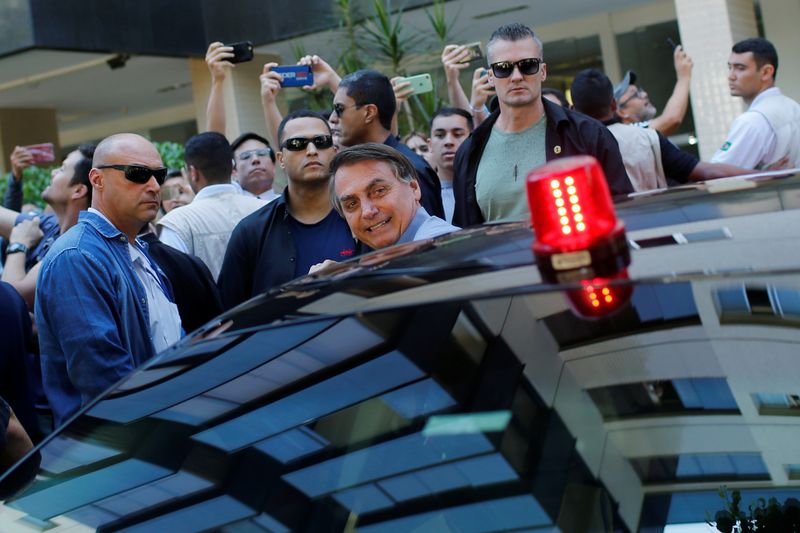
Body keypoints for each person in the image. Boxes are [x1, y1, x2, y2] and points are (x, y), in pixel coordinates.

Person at [36, 133, 182, 427]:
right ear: (97, 179)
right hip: (120, 448)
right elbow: (104, 381)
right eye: (138, 174)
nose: (154, 186)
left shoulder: (136, 251)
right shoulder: (76, 257)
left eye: (159, 175)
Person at [453, 23, 630, 227]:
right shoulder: (471, 150)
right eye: (504, 68)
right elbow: (465, 232)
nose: (517, 77)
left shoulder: (589, 134)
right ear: (491, 77)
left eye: (528, 65)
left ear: (542, 71)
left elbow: (622, 211)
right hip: (503, 259)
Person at [218, 111, 356, 310]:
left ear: (334, 151)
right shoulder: (251, 232)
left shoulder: (361, 217)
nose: (311, 150)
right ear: (281, 159)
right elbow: (229, 314)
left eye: (321, 141)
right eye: (297, 144)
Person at [571, 69, 752, 191]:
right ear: (614, 105)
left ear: (572, 110)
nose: (644, 95)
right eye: (635, 95)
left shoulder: (568, 150)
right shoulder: (647, 139)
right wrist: (767, 175)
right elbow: (707, 172)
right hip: (653, 229)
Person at [329, 69, 445, 219]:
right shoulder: (367, 163)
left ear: (369, 112)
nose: (332, 118)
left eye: (339, 109)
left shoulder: (410, 168)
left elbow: (429, 238)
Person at [157, 132, 265, 279]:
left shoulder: (176, 224)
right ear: (232, 166)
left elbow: (173, 285)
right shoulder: (268, 208)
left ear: (193, 172)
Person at [0, 144, 95, 308]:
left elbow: (12, 297)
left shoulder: (72, 248)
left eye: (62, 169)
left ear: (78, 190)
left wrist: (18, 245)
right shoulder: (51, 225)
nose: (52, 172)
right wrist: (15, 177)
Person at [330, 143, 457, 252]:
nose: (367, 211)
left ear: (414, 188)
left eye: (379, 191)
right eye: (352, 204)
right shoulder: (400, 257)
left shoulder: (440, 249)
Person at [710, 37, 800, 169]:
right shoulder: (794, 107)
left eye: (740, 68)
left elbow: (717, 179)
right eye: (730, 67)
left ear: (766, 72)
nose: (731, 76)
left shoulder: (753, 121)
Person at [614, 44, 693, 135]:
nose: (644, 94)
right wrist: (684, 76)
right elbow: (672, 119)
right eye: (635, 94)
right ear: (622, 112)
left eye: (639, 91)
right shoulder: (629, 134)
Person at [427, 108, 473, 222]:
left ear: (472, 140)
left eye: (457, 134)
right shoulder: (421, 195)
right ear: (430, 144)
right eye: (440, 135)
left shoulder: (484, 190)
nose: (448, 142)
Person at [230, 132, 280, 202]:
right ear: (234, 172)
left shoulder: (290, 206)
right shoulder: (228, 209)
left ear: (273, 165)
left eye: (262, 153)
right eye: (245, 156)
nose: (255, 159)